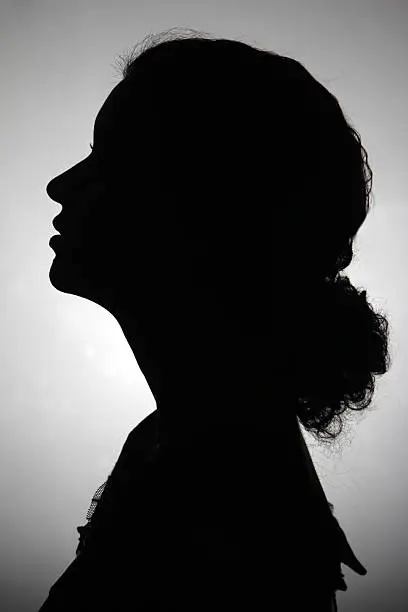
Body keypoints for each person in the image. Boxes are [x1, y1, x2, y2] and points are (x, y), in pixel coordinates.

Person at [39, 27, 391, 611]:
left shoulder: (236, 501)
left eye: (112, 159)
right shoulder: (169, 440)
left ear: (206, 204)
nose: (61, 185)